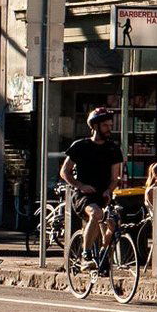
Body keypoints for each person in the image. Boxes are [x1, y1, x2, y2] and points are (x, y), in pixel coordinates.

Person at [60, 107, 125, 255]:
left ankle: (103, 254)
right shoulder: (80, 146)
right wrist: (80, 185)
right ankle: (86, 253)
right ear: (95, 126)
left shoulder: (113, 149)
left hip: (104, 195)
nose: (109, 129)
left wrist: (109, 190)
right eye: (105, 125)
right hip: (84, 196)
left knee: (114, 225)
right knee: (95, 213)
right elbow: (64, 172)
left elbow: (115, 178)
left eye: (110, 125)